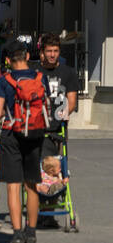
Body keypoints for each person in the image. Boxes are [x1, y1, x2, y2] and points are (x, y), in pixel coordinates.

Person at [0, 40, 47, 243]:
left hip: (11, 134)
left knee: (13, 186)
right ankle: (31, 234)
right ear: (26, 56)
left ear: (8, 59)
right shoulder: (40, 77)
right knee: (32, 184)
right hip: (35, 134)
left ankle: (17, 236)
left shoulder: (4, 80)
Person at [30, 33, 79, 228]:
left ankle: (49, 209)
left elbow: (72, 99)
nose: (52, 54)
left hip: (58, 129)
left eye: (55, 51)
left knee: (56, 169)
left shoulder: (68, 73)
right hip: (38, 128)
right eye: (49, 51)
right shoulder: (35, 72)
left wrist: (67, 112)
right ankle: (43, 212)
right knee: (41, 169)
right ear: (42, 53)